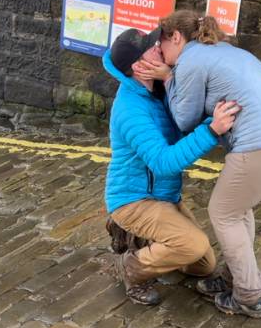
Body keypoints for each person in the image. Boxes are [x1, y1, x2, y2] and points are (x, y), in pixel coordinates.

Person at [138, 9, 261, 318]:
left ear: (175, 37)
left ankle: (248, 296)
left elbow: (184, 120)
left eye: (161, 45)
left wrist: (167, 78)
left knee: (223, 212)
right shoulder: (222, 50)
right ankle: (235, 278)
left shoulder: (189, 61)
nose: (159, 53)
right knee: (237, 209)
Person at [102, 27, 241, 305]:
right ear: (138, 67)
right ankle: (131, 268)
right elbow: (163, 163)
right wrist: (212, 130)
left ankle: (142, 241)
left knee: (203, 265)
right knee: (192, 245)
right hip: (134, 200)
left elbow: (183, 124)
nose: (160, 48)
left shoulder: (159, 90)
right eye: (153, 48)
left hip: (164, 197)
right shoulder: (130, 110)